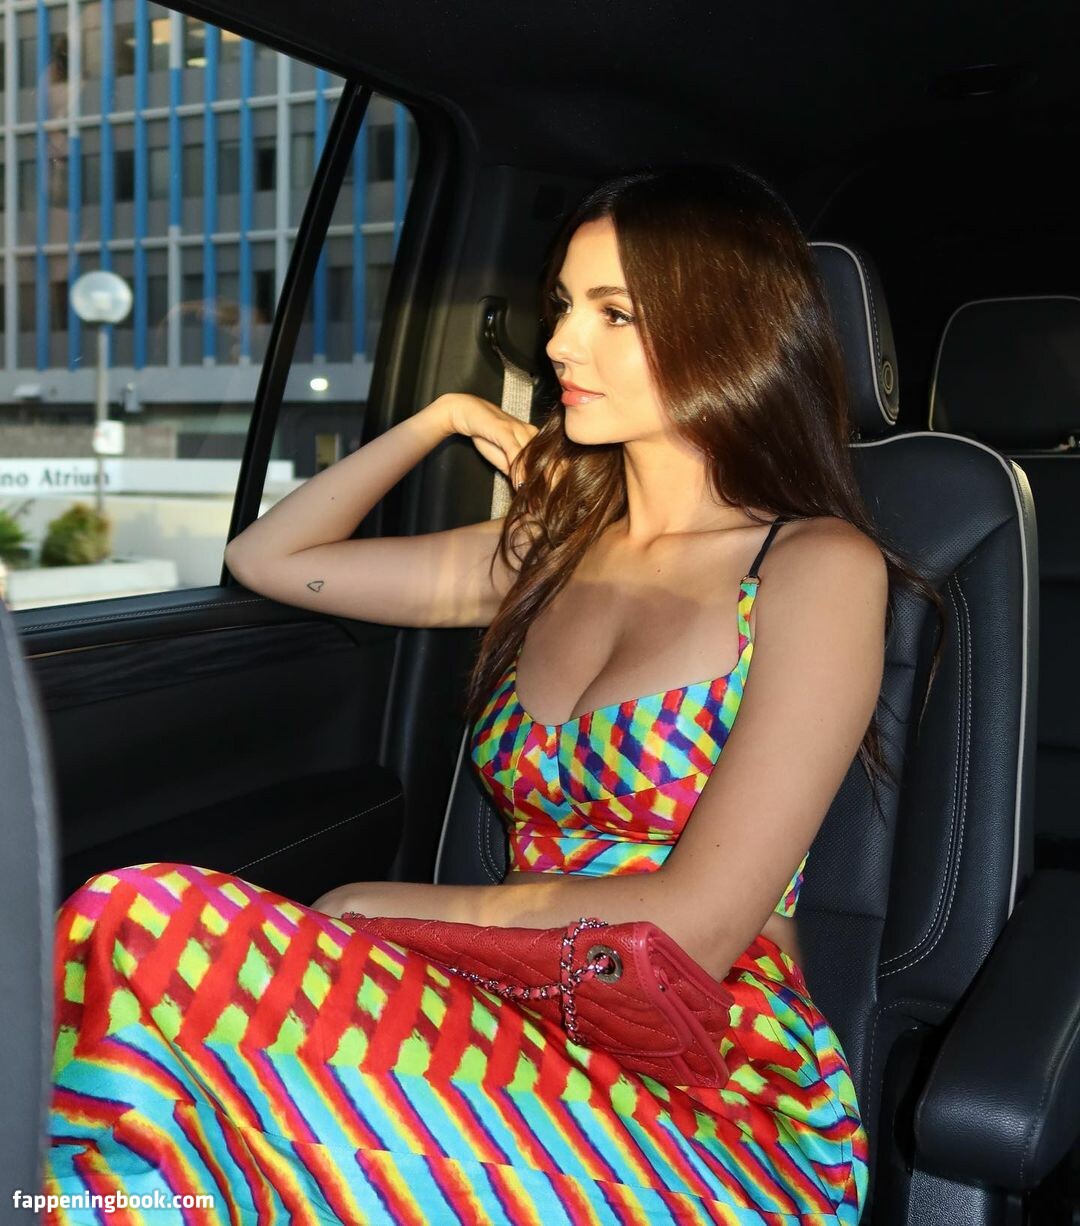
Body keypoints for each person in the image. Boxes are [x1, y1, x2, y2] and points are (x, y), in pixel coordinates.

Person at [45, 163, 943, 1224]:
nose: (560, 343)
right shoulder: (545, 554)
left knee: (144, 923)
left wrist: (380, 905)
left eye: (614, 313)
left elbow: (700, 925)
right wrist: (441, 417)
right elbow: (271, 559)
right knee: (144, 1035)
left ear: (726, 332)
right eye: (562, 306)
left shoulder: (813, 563)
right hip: (495, 1014)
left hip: (702, 1072)